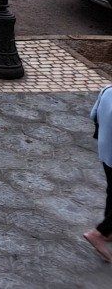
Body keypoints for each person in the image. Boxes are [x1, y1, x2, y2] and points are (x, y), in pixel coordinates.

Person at [87, 84, 112, 261]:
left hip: (106, 152)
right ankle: (99, 233)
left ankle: (109, 231)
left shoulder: (107, 90)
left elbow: (93, 115)